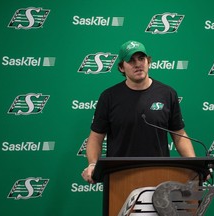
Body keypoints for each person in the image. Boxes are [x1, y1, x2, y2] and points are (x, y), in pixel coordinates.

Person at [81, 40, 195, 184]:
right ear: (122, 67)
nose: (138, 64)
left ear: (148, 62)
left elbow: (179, 135)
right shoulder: (109, 97)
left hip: (159, 177)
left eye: (141, 58)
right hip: (119, 177)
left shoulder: (167, 93)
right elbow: (96, 138)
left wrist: (194, 166)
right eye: (131, 60)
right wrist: (92, 164)